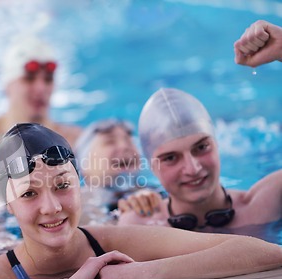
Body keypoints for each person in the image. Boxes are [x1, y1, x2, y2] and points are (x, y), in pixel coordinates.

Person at [0, 123, 282, 279]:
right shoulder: (1, 271)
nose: (51, 208)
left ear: (81, 186)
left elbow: (263, 253)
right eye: (29, 194)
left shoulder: (111, 240)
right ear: (8, 205)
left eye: (63, 186)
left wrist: (144, 271)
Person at [117, 88, 281, 231]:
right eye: (171, 158)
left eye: (201, 148)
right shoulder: (139, 226)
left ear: (217, 145)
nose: (193, 169)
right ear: (152, 166)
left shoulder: (268, 202)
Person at [0, 36, 82, 156]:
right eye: (29, 78)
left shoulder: (76, 142)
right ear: (7, 86)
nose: (41, 88)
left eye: (48, 79)